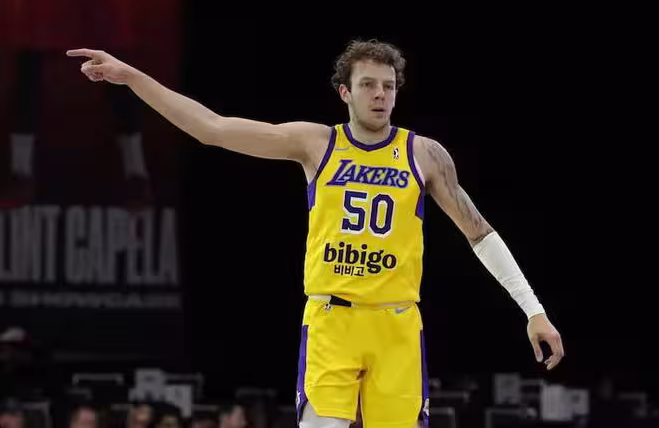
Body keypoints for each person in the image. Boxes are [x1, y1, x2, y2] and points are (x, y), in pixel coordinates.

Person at [67, 39, 565, 428]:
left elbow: (480, 233)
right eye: (368, 85)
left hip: (397, 325)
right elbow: (211, 128)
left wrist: (534, 310)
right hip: (332, 322)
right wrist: (132, 77)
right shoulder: (316, 143)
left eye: (388, 86)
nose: (380, 95)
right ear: (345, 92)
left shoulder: (425, 154)